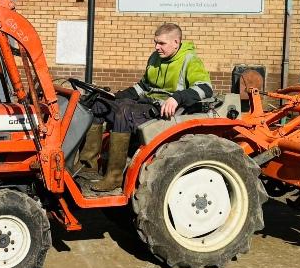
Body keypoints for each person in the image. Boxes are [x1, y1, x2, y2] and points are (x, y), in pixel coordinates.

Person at [81, 23, 214, 192]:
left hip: (165, 110)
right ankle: (88, 166)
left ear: (176, 42)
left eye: (162, 43)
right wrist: (116, 96)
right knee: (100, 104)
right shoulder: (155, 58)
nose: (157, 47)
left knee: (124, 112)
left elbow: (205, 88)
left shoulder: (190, 60)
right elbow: (143, 87)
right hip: (146, 104)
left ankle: (114, 177)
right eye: (156, 42)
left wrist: (177, 98)